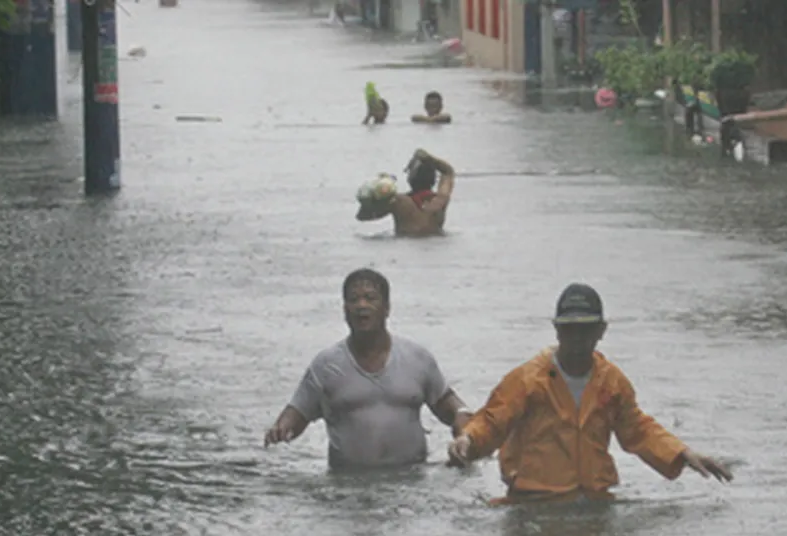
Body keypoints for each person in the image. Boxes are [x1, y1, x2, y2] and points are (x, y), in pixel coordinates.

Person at [447, 283, 733, 505]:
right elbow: (494, 419)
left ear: (601, 331)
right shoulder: (526, 380)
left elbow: (638, 429)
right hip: (533, 501)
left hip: (595, 501)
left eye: (585, 330)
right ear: (557, 330)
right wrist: (468, 440)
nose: (577, 339)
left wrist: (682, 453)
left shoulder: (611, 381)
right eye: (570, 330)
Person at [265, 268, 473, 469]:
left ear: (387, 308)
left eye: (370, 298)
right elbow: (297, 413)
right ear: (345, 310)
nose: (361, 305)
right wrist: (281, 429)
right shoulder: (326, 365)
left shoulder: (417, 359)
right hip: (347, 487)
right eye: (353, 299)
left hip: (411, 483)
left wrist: (465, 435)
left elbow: (454, 408)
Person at [355, 149, 455, 237]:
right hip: (436, 242)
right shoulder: (441, 200)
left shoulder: (399, 201)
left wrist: (377, 191)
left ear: (410, 179)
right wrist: (429, 159)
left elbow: (363, 216)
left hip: (406, 245)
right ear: (433, 180)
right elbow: (448, 172)